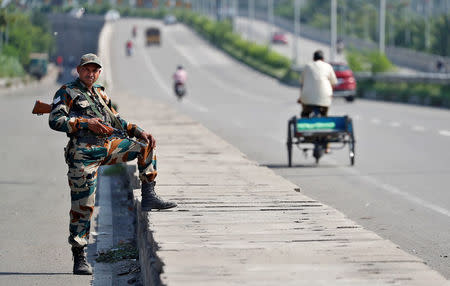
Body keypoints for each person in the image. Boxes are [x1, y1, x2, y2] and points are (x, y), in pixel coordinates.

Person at [48, 53, 177, 275]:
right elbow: (55, 120)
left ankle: (148, 196)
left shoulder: (99, 93)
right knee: (84, 206)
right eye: (86, 69)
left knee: (145, 145)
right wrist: (85, 123)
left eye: (94, 70)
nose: (90, 73)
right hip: (83, 153)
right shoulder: (67, 91)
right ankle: (79, 256)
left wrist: (139, 131)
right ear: (79, 71)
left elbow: (118, 120)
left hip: (107, 147)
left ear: (99, 73)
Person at [298, 50, 337, 118]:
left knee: (304, 114)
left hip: (307, 99)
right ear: (323, 59)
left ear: (313, 59)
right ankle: (324, 117)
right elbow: (333, 83)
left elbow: (302, 83)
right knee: (324, 114)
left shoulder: (307, 66)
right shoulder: (328, 66)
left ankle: (304, 119)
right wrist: (330, 94)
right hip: (325, 99)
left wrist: (301, 97)